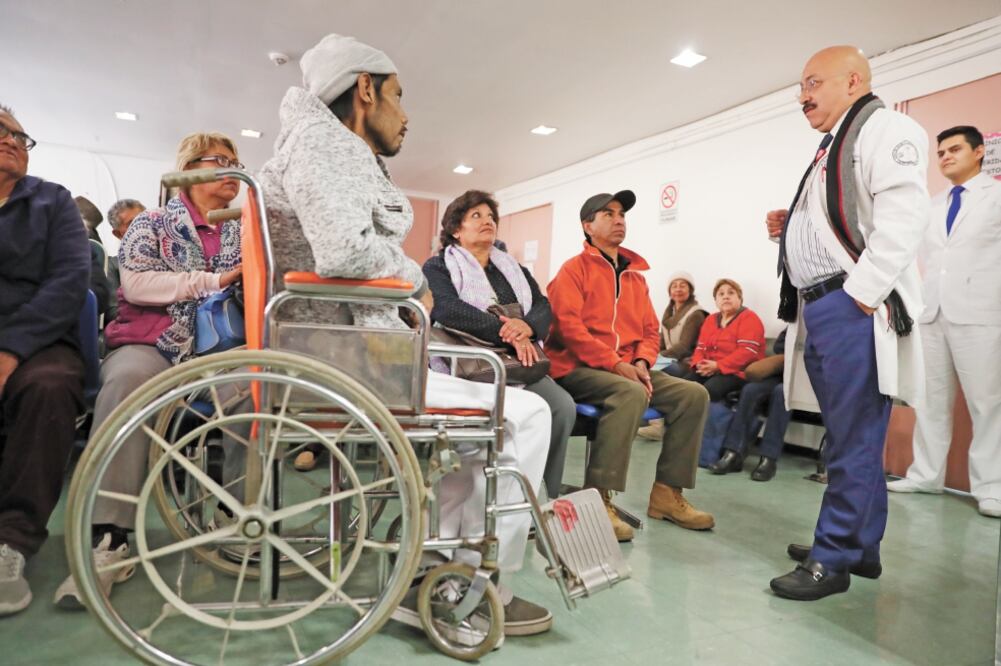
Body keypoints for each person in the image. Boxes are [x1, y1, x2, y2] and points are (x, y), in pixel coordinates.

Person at [257, 33, 553, 636]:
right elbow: (343, 251)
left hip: (345, 349)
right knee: (526, 415)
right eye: (398, 95)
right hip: (347, 361)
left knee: (481, 428)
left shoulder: (319, 144)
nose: (406, 113)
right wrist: (415, 276)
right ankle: (476, 583)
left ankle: (442, 567)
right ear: (365, 89)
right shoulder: (325, 143)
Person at [53, 132, 245, 608]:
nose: (232, 170)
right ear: (187, 170)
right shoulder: (151, 223)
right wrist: (213, 281)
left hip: (222, 352)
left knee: (257, 392)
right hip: (154, 341)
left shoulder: (245, 230)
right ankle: (110, 536)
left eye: (236, 162)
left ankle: (238, 517)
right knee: (127, 383)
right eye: (219, 159)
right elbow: (137, 285)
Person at [767, 46, 929, 600]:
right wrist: (792, 226)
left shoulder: (888, 130)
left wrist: (859, 297)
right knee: (849, 435)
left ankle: (832, 558)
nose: (803, 95)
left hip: (850, 304)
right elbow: (843, 218)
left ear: (853, 80)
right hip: (824, 306)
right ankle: (861, 546)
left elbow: (904, 219)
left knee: (855, 436)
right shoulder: (833, 145)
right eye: (801, 86)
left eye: (813, 82)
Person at [547, 190, 714, 543]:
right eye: (608, 214)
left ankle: (666, 494)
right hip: (577, 368)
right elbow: (568, 329)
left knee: (693, 395)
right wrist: (615, 364)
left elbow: (651, 331)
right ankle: (597, 499)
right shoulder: (573, 270)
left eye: (621, 214)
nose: (618, 219)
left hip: (626, 368)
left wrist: (640, 361)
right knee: (630, 392)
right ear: (588, 226)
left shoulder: (636, 278)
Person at [423, 189, 576, 500]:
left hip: (518, 360)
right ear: (456, 229)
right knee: (502, 419)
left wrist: (527, 327)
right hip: (467, 364)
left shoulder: (513, 268)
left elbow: (542, 306)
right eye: (476, 216)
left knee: (561, 407)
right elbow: (447, 309)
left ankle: (542, 496)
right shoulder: (438, 266)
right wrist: (508, 332)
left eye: (491, 216)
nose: (487, 221)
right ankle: (488, 495)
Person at [0, 104, 89, 616]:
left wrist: (10, 348)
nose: (13, 141)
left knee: (50, 385)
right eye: (1, 130)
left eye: (21, 136)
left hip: (39, 337)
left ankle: (11, 540)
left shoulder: (52, 201)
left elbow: (70, 281)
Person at [888, 125, 1001, 517]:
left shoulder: (996, 196)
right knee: (930, 400)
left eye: (954, 149)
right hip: (932, 312)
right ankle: (925, 475)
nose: (946, 157)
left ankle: (992, 487)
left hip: (982, 313)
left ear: (979, 152)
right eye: (941, 153)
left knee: (987, 403)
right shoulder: (933, 204)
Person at [708, 329, 790, 481]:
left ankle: (769, 458)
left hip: (809, 380)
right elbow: (779, 346)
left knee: (782, 393)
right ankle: (733, 452)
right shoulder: (799, 325)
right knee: (751, 390)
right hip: (785, 372)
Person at [637, 271, 706, 440]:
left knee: (655, 370)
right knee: (643, 366)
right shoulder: (669, 313)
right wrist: (650, 355)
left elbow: (684, 347)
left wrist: (657, 357)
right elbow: (659, 342)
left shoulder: (696, 314)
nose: (678, 289)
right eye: (674, 286)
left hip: (686, 362)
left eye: (683, 285)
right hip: (670, 359)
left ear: (690, 290)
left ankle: (657, 425)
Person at [683, 278, 765, 401]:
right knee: (684, 385)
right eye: (721, 294)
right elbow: (700, 348)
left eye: (731, 293)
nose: (726, 297)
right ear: (716, 301)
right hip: (709, 369)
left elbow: (747, 352)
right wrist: (699, 364)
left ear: (740, 299)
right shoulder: (710, 319)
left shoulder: (750, 318)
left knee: (709, 390)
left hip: (737, 373)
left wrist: (718, 366)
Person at [104, 198, 146, 321]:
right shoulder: (112, 267)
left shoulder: (170, 256)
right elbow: (113, 312)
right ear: (118, 234)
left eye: (145, 219)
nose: (144, 227)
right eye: (133, 224)